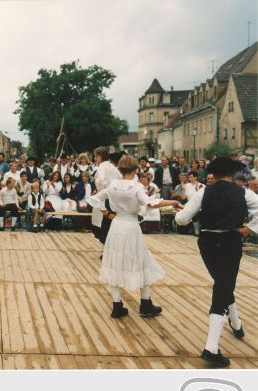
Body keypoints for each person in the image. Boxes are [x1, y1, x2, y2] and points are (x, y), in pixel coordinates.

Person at [175, 157, 258, 367]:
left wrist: (189, 213)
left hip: (207, 242)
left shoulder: (203, 192)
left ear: (215, 174)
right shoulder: (243, 192)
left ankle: (237, 324)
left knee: (222, 283)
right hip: (230, 240)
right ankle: (211, 348)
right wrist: (249, 229)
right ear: (233, 174)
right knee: (223, 284)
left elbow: (181, 220)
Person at [87, 155, 182, 319]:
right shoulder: (136, 186)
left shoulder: (113, 185)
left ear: (120, 169)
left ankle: (117, 306)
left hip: (117, 225)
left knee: (115, 262)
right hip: (131, 226)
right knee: (143, 261)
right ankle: (145, 304)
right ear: (135, 170)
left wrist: (108, 214)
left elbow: (95, 198)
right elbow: (150, 203)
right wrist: (173, 202)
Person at [91, 147, 121, 250]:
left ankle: (107, 251)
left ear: (100, 156)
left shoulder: (101, 168)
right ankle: (109, 249)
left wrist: (99, 193)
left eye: (96, 156)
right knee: (109, 226)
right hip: (114, 199)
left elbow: (101, 183)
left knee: (103, 226)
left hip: (104, 199)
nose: (95, 158)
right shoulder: (112, 167)